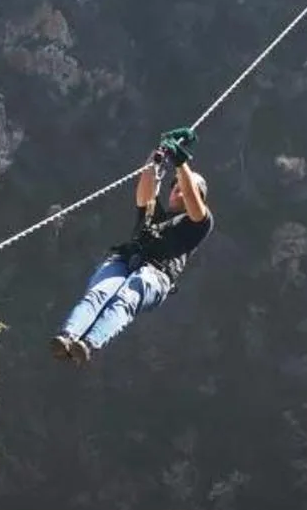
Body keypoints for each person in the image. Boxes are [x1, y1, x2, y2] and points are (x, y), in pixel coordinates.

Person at [52, 128, 211, 363]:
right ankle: (68, 336)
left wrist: (181, 164)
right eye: (175, 188)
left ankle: (89, 344)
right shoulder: (154, 213)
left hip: (156, 274)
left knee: (128, 297)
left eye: (185, 190)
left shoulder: (198, 223)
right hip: (126, 260)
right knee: (98, 293)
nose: (179, 192)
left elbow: (193, 200)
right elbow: (146, 185)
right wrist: (159, 152)